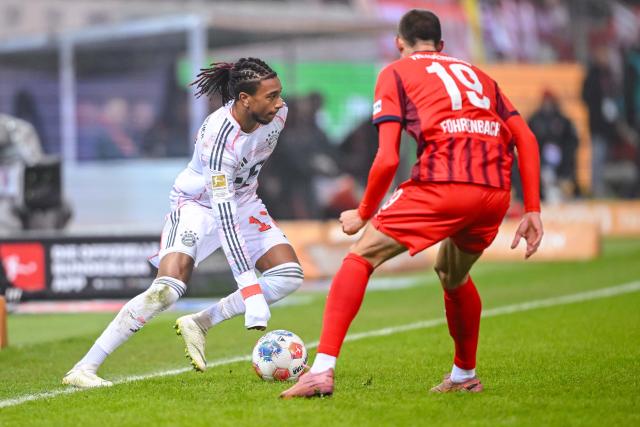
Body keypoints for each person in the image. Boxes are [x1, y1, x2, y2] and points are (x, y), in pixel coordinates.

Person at [281, 9, 542, 399]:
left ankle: (321, 371)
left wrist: (364, 212)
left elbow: (387, 158)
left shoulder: (395, 72)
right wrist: (534, 208)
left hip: (442, 182)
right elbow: (525, 138)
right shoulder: (481, 77)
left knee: (360, 256)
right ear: (441, 45)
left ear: (399, 43)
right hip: (493, 191)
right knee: (452, 274)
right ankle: (464, 374)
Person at [63, 58, 304, 388]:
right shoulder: (218, 141)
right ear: (245, 99)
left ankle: (203, 322)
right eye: (272, 96)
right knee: (166, 291)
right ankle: (84, 369)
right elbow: (224, 219)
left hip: (245, 201)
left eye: (280, 94)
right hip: (198, 205)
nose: (280, 103)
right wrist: (250, 293)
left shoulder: (278, 116)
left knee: (288, 275)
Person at [528, 89, 579, 201]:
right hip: (540, 160)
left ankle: (565, 186)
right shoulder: (534, 119)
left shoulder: (563, 120)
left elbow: (573, 140)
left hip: (561, 162)